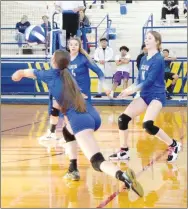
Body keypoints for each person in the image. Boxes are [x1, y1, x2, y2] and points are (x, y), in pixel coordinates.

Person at [12, 49, 144, 198]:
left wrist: (17, 74)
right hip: (92, 115)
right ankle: (73, 168)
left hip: (80, 120)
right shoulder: (68, 74)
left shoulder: (51, 74)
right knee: (67, 132)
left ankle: (122, 176)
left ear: (53, 62)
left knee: (96, 161)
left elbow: (24, 72)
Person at [39, 37, 111, 180]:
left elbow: (99, 72)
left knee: (75, 121)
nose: (73, 46)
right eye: (70, 44)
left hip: (81, 96)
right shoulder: (65, 59)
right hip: (67, 94)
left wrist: (104, 85)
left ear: (80, 46)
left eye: (76, 44)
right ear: (68, 46)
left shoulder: (83, 59)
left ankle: (78, 150)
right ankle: (59, 137)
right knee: (65, 116)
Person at [108, 31, 182, 163]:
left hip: (157, 95)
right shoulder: (143, 58)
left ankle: (173, 144)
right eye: (146, 38)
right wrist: (127, 89)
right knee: (122, 119)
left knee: (148, 125)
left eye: (150, 38)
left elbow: (149, 81)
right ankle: (124, 151)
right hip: (145, 95)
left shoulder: (159, 59)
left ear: (157, 42)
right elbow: (139, 80)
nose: (146, 40)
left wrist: (131, 91)